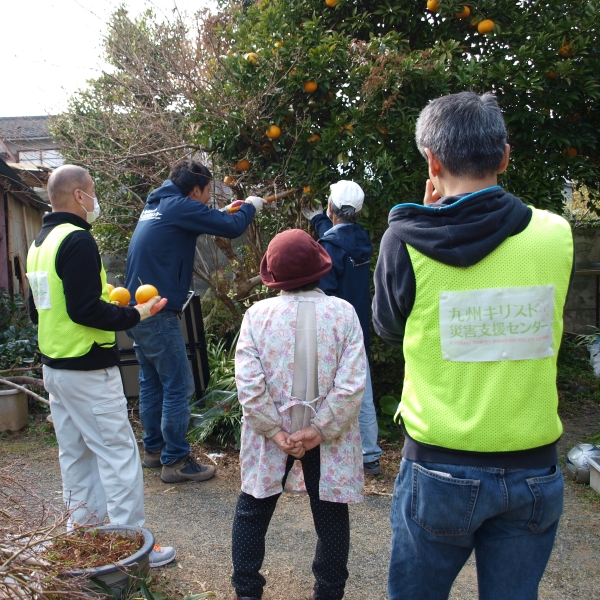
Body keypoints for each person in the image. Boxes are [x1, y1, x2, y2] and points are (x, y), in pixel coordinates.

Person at [373, 91, 573, 599]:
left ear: (432, 162)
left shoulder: (405, 240)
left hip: (438, 466)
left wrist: (430, 215)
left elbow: (388, 328)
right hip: (533, 468)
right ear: (504, 156)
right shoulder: (556, 234)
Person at [26, 164, 175, 567]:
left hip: (55, 368)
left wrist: (106, 300)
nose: (95, 199)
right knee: (118, 455)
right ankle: (132, 548)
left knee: (75, 454)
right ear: (79, 196)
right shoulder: (77, 240)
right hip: (88, 369)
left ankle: (87, 538)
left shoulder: (41, 243)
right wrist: (136, 315)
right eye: (92, 190)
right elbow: (85, 310)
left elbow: (39, 311)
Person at [231, 229, 366, 600]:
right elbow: (352, 383)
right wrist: (321, 429)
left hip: (271, 435)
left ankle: (246, 590)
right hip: (328, 437)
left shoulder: (257, 316)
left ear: (273, 276)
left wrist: (274, 430)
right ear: (321, 268)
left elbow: (249, 384)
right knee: (331, 517)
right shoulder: (343, 313)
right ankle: (329, 591)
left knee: (252, 510)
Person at [125, 158, 265, 483]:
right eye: (206, 193)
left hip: (137, 308)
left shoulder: (158, 204)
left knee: (151, 380)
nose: (207, 199)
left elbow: (205, 218)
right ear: (196, 188)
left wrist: (224, 210)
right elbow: (231, 228)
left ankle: (155, 450)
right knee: (178, 383)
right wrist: (251, 207)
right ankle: (175, 460)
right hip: (158, 311)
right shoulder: (178, 206)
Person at [302, 180, 383, 475]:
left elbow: (324, 293)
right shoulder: (361, 240)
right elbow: (339, 238)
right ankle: (370, 456)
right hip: (359, 329)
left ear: (331, 206)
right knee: (363, 392)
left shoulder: (328, 248)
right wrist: (320, 221)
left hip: (334, 332)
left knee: (329, 392)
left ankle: (327, 452)